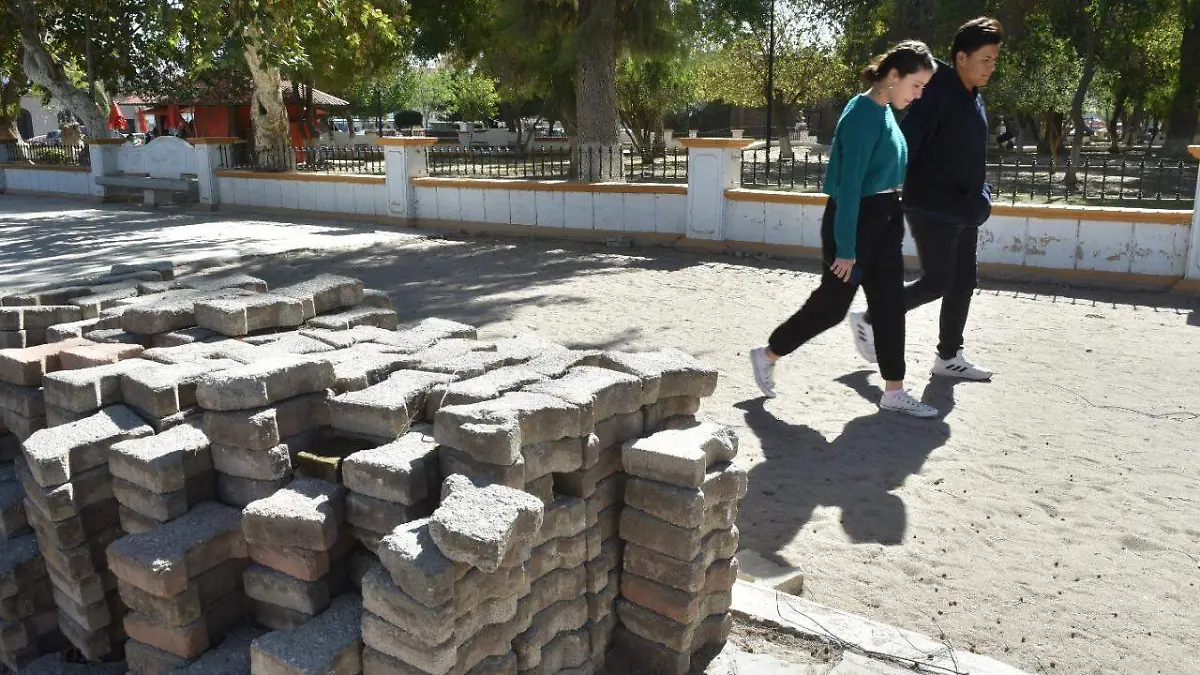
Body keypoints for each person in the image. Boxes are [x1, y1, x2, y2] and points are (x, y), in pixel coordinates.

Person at [750, 41, 939, 418]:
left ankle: (894, 390)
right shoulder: (861, 115)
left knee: (889, 305)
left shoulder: (884, 110)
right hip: (857, 221)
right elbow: (850, 186)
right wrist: (846, 248)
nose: (919, 95)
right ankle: (769, 353)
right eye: (916, 85)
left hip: (885, 216)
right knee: (832, 308)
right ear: (894, 76)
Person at [848, 17, 1004, 382]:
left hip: (965, 209)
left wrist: (982, 194)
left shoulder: (973, 96)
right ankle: (871, 317)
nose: (991, 67)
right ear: (962, 57)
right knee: (938, 281)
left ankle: (949, 356)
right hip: (932, 205)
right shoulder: (937, 92)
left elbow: (967, 154)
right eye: (986, 59)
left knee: (964, 282)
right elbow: (906, 142)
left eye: (995, 60)